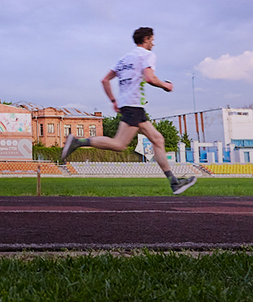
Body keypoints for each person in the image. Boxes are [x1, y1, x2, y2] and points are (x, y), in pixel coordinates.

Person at [61, 27, 197, 195]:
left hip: (128, 105)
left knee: (157, 139)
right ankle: (77, 142)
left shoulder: (124, 59)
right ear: (146, 39)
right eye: (152, 39)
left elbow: (105, 80)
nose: (153, 43)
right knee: (120, 144)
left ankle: (174, 182)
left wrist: (113, 100)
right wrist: (165, 86)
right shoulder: (146, 55)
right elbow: (149, 77)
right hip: (134, 105)